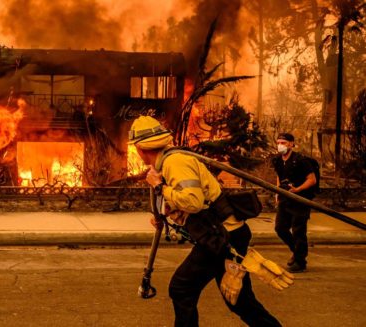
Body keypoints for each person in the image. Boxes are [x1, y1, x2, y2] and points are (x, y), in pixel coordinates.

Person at [129, 116, 284, 327]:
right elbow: (184, 200)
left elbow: (192, 201)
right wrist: (163, 215)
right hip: (225, 234)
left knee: (181, 288)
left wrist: (158, 186)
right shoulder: (166, 163)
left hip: (222, 236)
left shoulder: (175, 162)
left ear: (140, 148)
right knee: (239, 301)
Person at [272, 132, 317, 273]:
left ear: (291, 144)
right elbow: (279, 177)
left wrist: (298, 189)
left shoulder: (301, 160)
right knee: (280, 228)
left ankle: (300, 261)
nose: (280, 145)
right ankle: (296, 252)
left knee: (298, 231)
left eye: (283, 143)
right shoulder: (278, 160)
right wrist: (277, 192)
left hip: (301, 200)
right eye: (278, 142)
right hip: (285, 199)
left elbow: (312, 179)